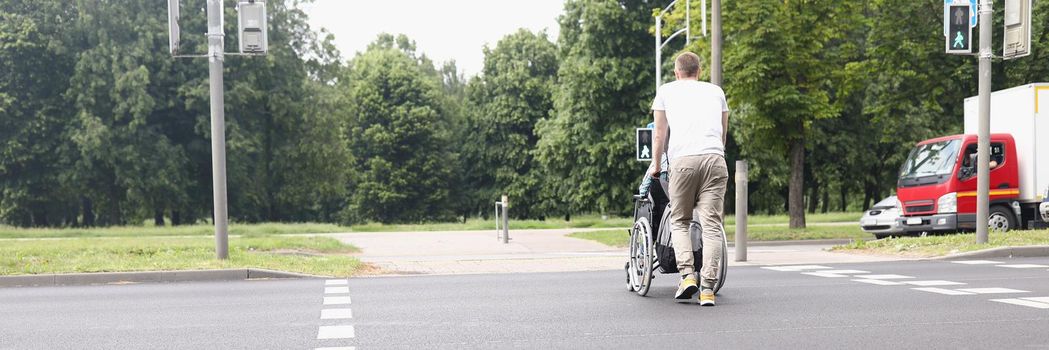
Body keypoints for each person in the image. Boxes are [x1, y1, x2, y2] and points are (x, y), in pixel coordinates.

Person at [649, 52, 729, 306]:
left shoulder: (666, 90)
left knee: (680, 221)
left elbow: (659, 134)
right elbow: (723, 131)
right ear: (699, 71)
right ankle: (708, 288)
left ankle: (687, 276)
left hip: (683, 161)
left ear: (676, 72)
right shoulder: (716, 91)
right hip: (715, 160)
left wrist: (656, 164)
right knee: (712, 226)